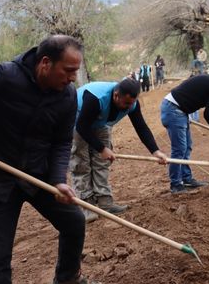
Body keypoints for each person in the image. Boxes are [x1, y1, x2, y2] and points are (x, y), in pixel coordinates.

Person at [0, 35, 104, 284]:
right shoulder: (3, 77)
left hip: (36, 176)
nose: (73, 77)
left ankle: (66, 280)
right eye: (69, 70)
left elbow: (62, 142)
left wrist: (58, 180)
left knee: (74, 221)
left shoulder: (67, 96)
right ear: (46, 63)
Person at [70, 78, 168, 222]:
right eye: (127, 103)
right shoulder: (96, 98)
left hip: (101, 122)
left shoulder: (132, 104)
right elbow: (82, 127)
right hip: (77, 120)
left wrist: (155, 151)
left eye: (132, 103)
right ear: (116, 95)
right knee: (81, 163)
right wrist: (102, 148)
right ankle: (87, 207)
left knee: (102, 162)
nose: (129, 107)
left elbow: (141, 127)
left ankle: (105, 203)